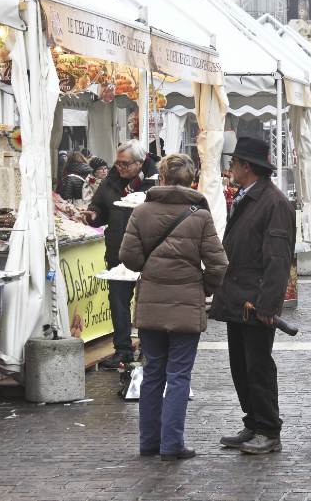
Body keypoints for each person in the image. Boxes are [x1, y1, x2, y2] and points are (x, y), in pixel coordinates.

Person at [119, 153, 228, 461]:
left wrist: (149, 268)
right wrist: (202, 287)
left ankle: (149, 442)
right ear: (191, 180)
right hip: (185, 306)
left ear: (162, 178)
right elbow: (219, 264)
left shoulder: (141, 212)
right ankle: (171, 445)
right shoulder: (200, 215)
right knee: (179, 375)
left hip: (152, 304)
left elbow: (128, 256)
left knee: (154, 373)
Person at [211, 137, 296, 456]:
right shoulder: (247, 197)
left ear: (247, 167)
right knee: (240, 366)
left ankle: (269, 429)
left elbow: (278, 259)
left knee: (258, 366)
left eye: (233, 163)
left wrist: (267, 304)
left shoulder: (273, 203)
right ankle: (253, 423)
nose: (229, 168)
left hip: (254, 301)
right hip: (237, 297)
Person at [82, 140, 158, 369]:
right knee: (118, 302)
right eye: (118, 163)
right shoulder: (111, 179)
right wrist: (94, 215)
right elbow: (100, 206)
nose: (121, 168)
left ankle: (149, 349)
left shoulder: (155, 180)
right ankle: (123, 350)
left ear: (140, 161)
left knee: (149, 303)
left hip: (149, 254)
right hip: (118, 252)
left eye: (126, 164)